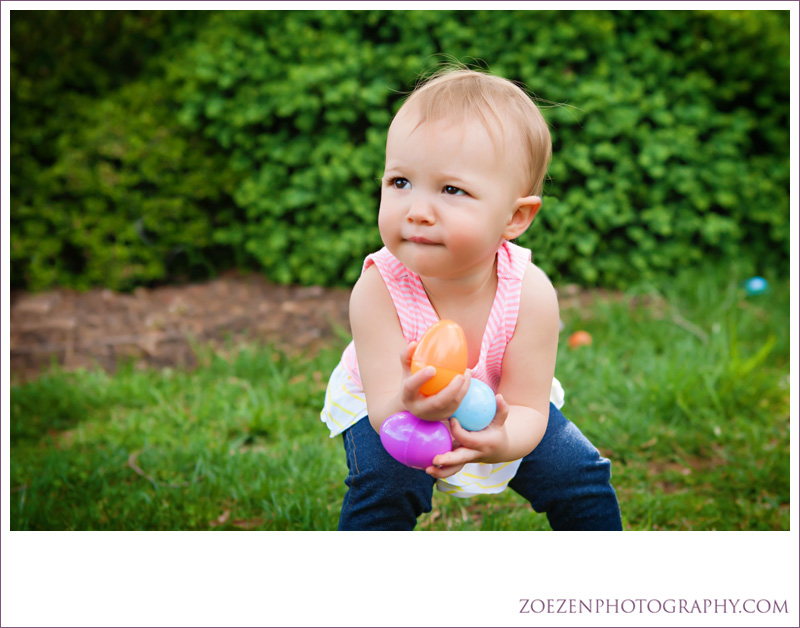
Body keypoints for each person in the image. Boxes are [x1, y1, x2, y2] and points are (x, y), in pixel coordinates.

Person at [320, 66, 622, 531]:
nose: (417, 211)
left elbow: (526, 407)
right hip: (393, 408)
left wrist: (501, 442)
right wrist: (414, 408)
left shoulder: (531, 293)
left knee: (577, 472)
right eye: (400, 182)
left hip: (501, 405)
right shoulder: (378, 288)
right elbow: (383, 409)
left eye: (452, 189)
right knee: (387, 480)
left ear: (515, 217)